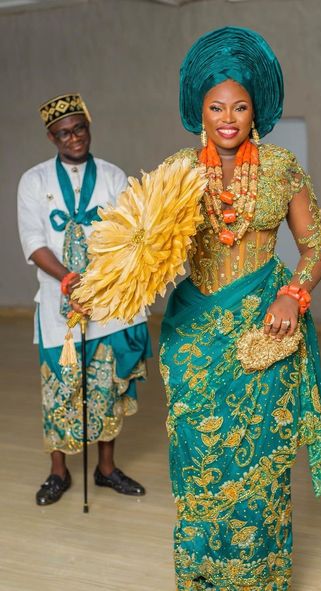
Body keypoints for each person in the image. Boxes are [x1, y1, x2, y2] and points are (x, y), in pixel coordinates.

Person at [158, 27, 321, 589]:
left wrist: (293, 294)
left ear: (255, 108)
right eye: (216, 106)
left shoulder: (282, 168)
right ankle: (204, 578)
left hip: (265, 334)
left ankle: (260, 579)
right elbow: (143, 248)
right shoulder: (177, 175)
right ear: (199, 110)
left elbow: (318, 246)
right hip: (193, 339)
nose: (228, 117)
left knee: (261, 466)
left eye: (239, 105)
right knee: (199, 464)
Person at [17, 93, 152, 506]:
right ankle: (58, 472)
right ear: (51, 138)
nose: (72, 139)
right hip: (61, 304)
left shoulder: (112, 176)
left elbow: (131, 234)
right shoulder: (33, 180)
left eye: (79, 129)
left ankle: (106, 468)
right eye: (62, 134)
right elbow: (34, 242)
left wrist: (103, 280)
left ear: (89, 127)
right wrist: (70, 280)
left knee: (107, 388)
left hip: (109, 303)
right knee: (60, 389)